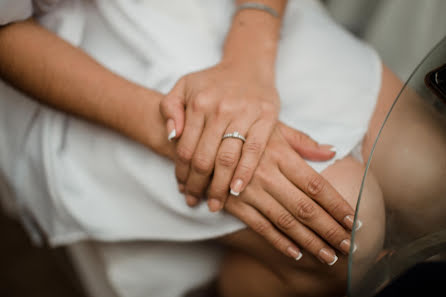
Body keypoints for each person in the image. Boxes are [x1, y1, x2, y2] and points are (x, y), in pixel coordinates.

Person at [0, 0, 404, 296]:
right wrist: (188, 133)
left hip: (245, 13)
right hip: (77, 56)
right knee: (350, 224)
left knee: (433, 184)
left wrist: (248, 62)